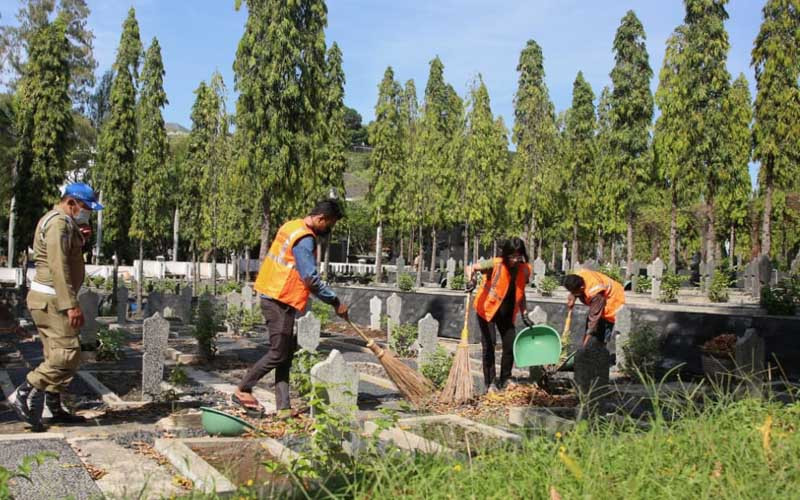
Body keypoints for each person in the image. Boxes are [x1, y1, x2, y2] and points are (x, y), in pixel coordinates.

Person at [234, 199, 349, 418]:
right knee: (278, 352)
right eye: (330, 224)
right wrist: (335, 302)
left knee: (285, 354)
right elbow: (310, 278)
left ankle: (284, 407)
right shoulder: (305, 239)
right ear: (320, 218)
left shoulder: (292, 226)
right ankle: (243, 389)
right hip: (279, 299)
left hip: (277, 294)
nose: (329, 229)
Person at [9, 183, 103, 432]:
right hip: (53, 299)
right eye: (85, 207)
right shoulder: (58, 223)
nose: (87, 212)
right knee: (67, 353)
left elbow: (67, 254)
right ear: (71, 202)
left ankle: (55, 405)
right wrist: (70, 305)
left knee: (56, 354)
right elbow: (57, 265)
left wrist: (80, 236)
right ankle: (25, 391)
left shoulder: (64, 223)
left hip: (51, 298)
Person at [467, 238, 532, 393]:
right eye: (512, 256)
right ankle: (490, 383)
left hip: (507, 313)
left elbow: (521, 292)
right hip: (487, 310)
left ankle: (506, 379)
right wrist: (472, 280)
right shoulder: (495, 264)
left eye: (518, 256)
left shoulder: (524, 269)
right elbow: (471, 268)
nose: (515, 260)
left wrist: (524, 313)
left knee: (510, 345)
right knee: (489, 345)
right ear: (506, 254)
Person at [563, 269, 625, 348]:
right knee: (593, 332)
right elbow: (574, 288)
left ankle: (601, 352)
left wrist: (584, 347)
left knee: (602, 335)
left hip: (614, 303)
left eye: (575, 292)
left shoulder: (594, 293)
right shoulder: (579, 276)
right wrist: (572, 297)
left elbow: (593, 319)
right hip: (601, 300)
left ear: (581, 288)